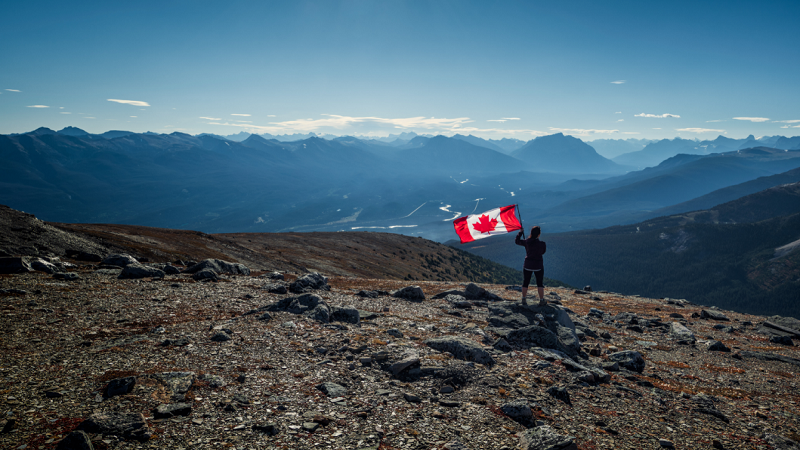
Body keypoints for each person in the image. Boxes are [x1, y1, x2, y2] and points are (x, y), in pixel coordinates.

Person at [515, 225, 547, 306]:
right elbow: (542, 252)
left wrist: (520, 232)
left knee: (526, 282)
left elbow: (517, 241)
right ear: (539, 234)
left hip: (527, 265)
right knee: (540, 283)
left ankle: (524, 299)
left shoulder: (527, 242)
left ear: (531, 233)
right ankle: (541, 300)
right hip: (538, 266)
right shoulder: (542, 244)